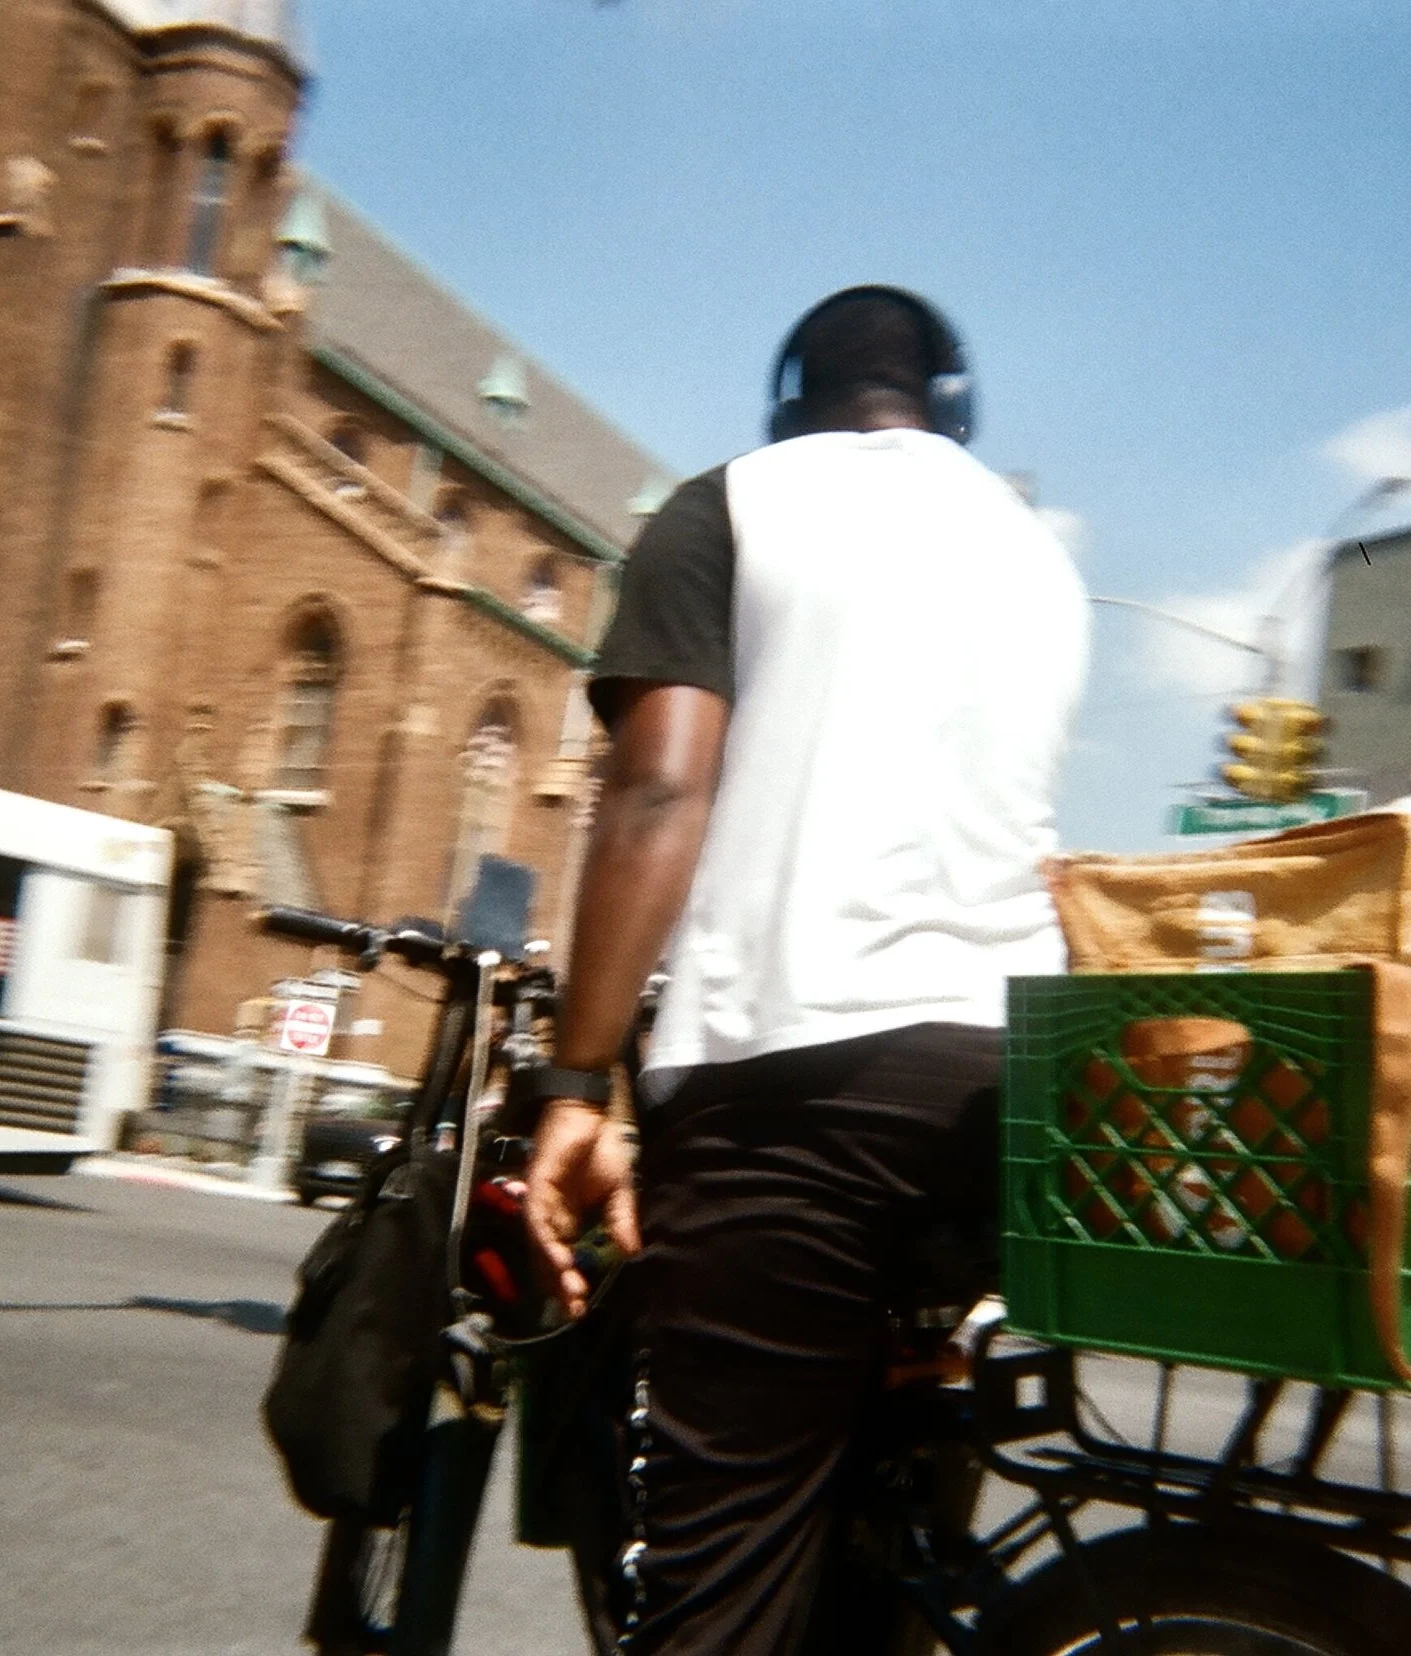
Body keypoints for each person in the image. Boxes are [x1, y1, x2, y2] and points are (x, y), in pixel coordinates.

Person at [520, 286, 1091, 1652]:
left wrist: (577, 1080)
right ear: (953, 411)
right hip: (1003, 1096)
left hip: (795, 1091)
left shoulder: (733, 504)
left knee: (723, 1582)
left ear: (790, 397)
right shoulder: (1041, 558)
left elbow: (660, 796)